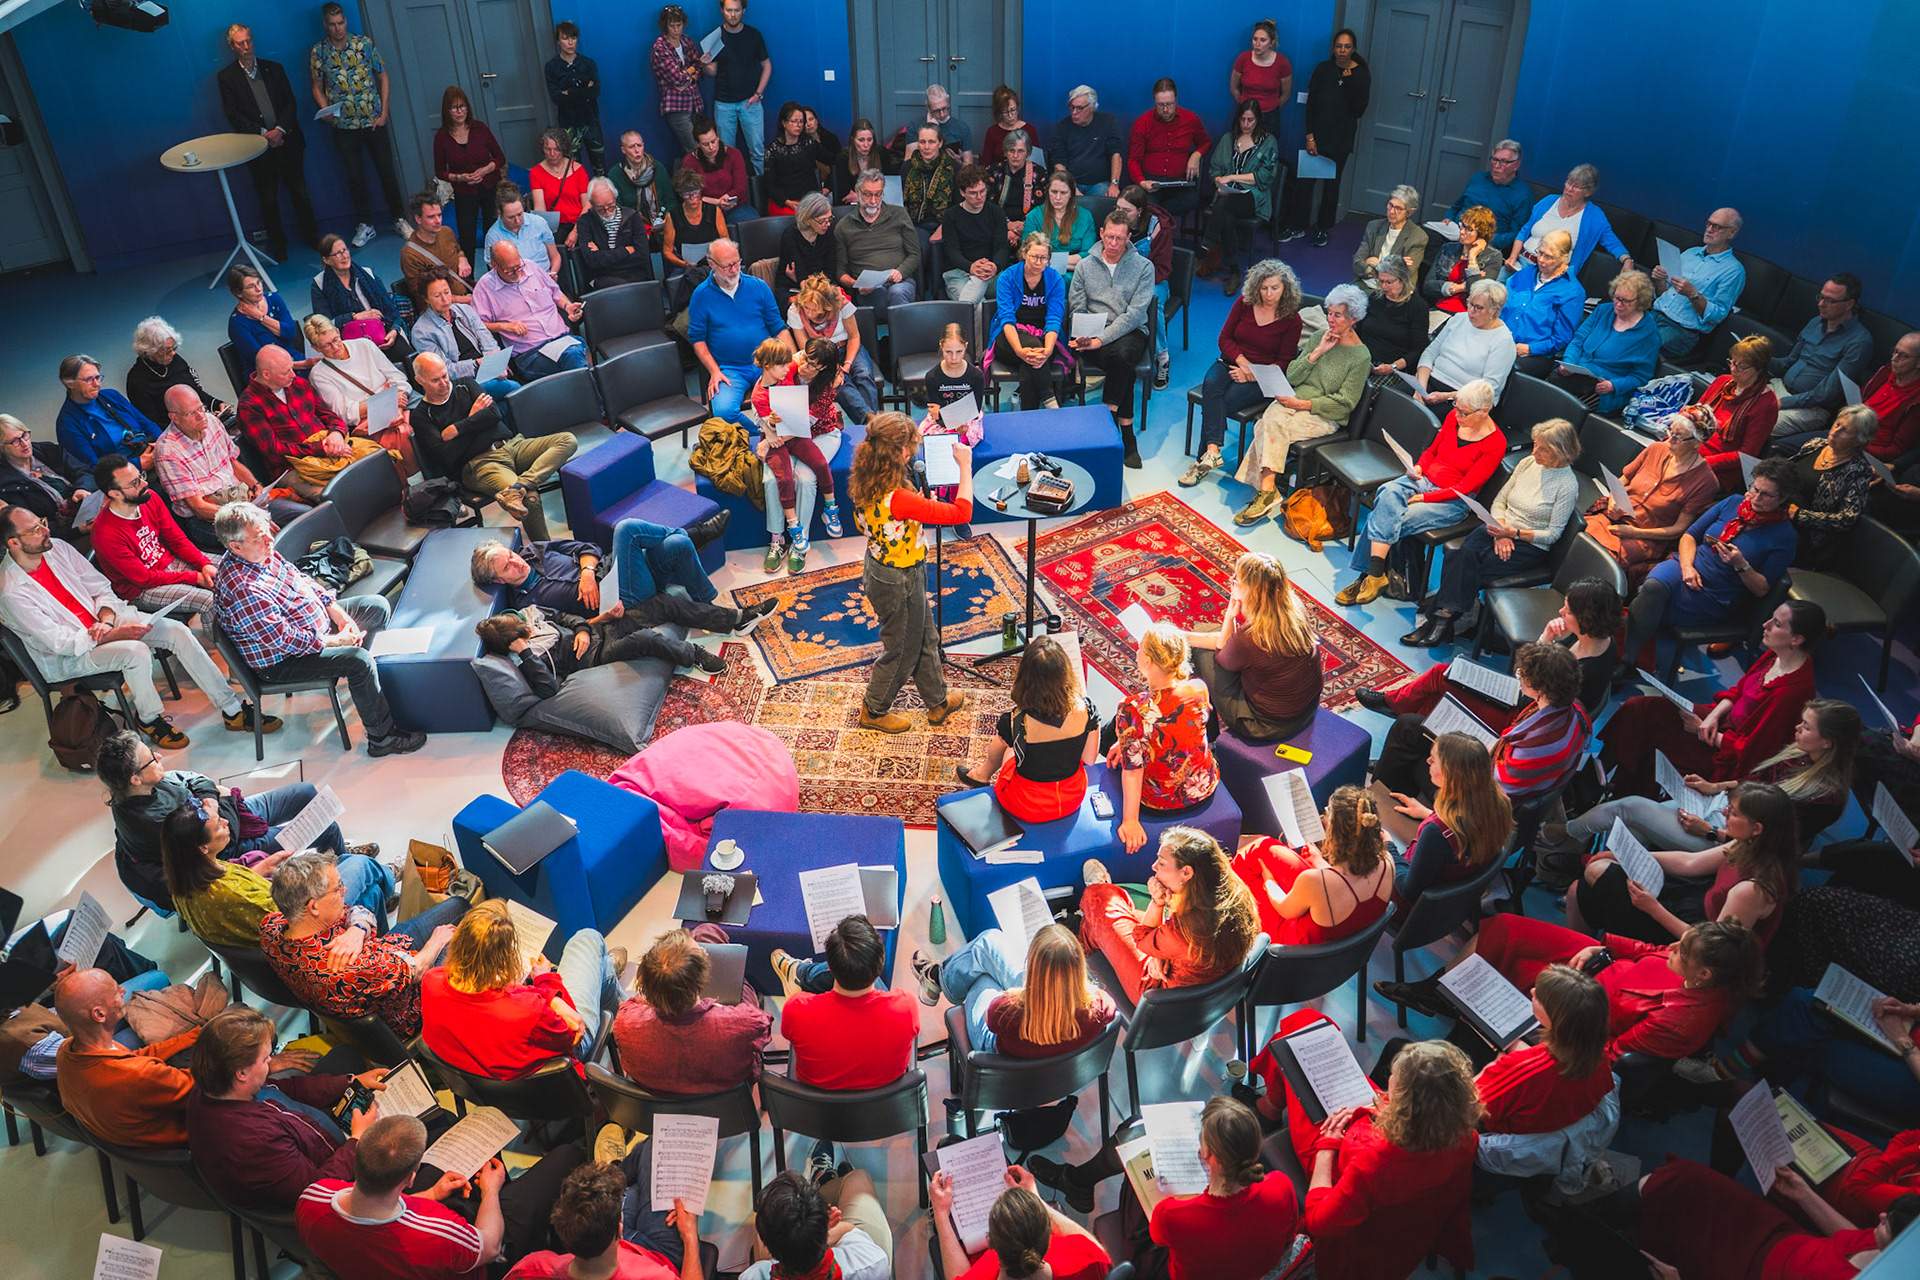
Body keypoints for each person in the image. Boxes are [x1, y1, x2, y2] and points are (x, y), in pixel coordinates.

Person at [0, 504, 260, 748]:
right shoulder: (11, 592)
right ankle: (149, 719)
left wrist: (106, 620)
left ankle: (232, 710)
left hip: (103, 620)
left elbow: (100, 588)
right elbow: (62, 644)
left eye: (42, 523)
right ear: (14, 543)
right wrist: (115, 634)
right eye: (34, 530)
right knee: (135, 652)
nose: (45, 530)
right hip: (70, 655)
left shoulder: (57, 548)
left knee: (178, 631)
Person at [1382, 915, 1764, 1064]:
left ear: (1704, 975)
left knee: (1493, 1007)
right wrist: (1603, 947)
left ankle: (1446, 997)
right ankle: (1438, 990)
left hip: (1581, 1010)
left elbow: (1611, 1054)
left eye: (1683, 951)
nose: (1674, 946)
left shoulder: (1681, 1022)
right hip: (1596, 963)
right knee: (1504, 927)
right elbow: (1648, 949)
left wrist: (1556, 1027)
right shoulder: (1692, 964)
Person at [1262, 1022, 1479, 1280]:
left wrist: (1326, 1147)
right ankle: (1268, 1106)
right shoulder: (1465, 1136)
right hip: (1397, 1219)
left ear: (1405, 1102)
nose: (1389, 1081)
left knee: (1292, 1042)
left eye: (1394, 1080)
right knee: (1307, 1024)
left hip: (1338, 1170)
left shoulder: (1376, 1164)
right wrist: (1375, 1111)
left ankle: (1267, 1108)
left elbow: (1320, 1221)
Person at [213, 500, 426, 756]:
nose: (270, 539)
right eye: (260, 538)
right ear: (235, 546)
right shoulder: (244, 589)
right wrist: (337, 641)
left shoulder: (259, 552)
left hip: (312, 630)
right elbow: (285, 640)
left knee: (376, 606)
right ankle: (382, 738)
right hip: (282, 661)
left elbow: (301, 579)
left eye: (267, 531)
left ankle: (372, 690)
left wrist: (337, 613)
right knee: (358, 661)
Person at [1556, 700, 1859, 871]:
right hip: (1721, 809)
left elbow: (1767, 847)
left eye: (1806, 727)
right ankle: (1591, 870)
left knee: (1629, 807)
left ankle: (1556, 837)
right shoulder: (1800, 753)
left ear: (1828, 742)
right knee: (1632, 827)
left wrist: (1710, 831)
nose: (1796, 728)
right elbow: (1755, 783)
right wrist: (1715, 787)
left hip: (1728, 844)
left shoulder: (1824, 799)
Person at [97, 728, 373, 909]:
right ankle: (341, 872)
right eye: (151, 759)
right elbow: (224, 834)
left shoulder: (147, 784)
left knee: (306, 792)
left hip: (222, 820)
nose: (159, 756)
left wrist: (211, 801)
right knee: (326, 827)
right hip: (225, 845)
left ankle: (337, 854)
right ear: (135, 778)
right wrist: (221, 798)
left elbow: (195, 779)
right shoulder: (155, 822)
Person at [298, 1112, 585, 1278]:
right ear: (409, 1179)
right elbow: (490, 1247)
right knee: (568, 1155)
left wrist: (433, 1193)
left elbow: (376, 1209)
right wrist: (491, 1191)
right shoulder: (437, 1233)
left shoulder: (312, 1197)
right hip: (486, 1260)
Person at [1607, 599, 1825, 802]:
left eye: (1776, 624)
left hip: (1727, 747)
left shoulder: (1791, 692)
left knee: (1656, 752)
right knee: (1639, 709)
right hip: (1718, 723)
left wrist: (1702, 731)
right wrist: (1712, 717)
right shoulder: (1775, 655)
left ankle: (1623, 795)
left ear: (1796, 639)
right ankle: (1600, 772)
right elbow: (1738, 692)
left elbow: (1753, 750)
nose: (1765, 625)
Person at [184, 1004, 394, 1213]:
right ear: (242, 1073)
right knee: (399, 1146)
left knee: (347, 1055)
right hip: (322, 1171)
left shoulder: (214, 1085)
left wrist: (350, 1081)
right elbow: (315, 1189)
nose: (271, 1062)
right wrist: (358, 1140)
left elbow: (285, 1089)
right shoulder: (255, 1142)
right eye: (265, 1059)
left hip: (303, 1129)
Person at [468, 525, 748, 677]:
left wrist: (587, 573)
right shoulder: (527, 606)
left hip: (617, 570)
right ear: (499, 581)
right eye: (507, 567)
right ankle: (692, 533)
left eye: (511, 555)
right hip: (623, 601)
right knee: (626, 530)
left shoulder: (534, 551)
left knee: (677, 546)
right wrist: (604, 618)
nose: (517, 562)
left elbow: (587, 548)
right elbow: (572, 627)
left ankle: (708, 601)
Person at [1614, 460, 1803, 681]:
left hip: (1715, 593)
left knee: (1648, 604)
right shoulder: (1734, 502)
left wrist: (1741, 565)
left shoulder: (1785, 536)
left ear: (1782, 499)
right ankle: (1629, 659)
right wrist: (1687, 567)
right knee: (1653, 587)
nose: (1755, 498)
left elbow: (1761, 589)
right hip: (1688, 565)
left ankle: (1626, 659)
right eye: (1755, 489)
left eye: (1766, 495)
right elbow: (1689, 535)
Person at [846, 412, 971, 732]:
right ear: (899, 452)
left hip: (882, 567)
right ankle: (874, 709)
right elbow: (962, 512)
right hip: (898, 579)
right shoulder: (899, 497)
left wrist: (918, 505)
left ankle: (937, 701)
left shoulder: (869, 477)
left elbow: (888, 517)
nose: (912, 453)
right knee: (902, 650)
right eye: (910, 448)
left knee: (926, 636)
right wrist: (965, 466)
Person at [1366, 576, 1619, 734]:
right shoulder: (1594, 638)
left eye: (1569, 610)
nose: (1561, 611)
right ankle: (1399, 712)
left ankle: (1396, 711)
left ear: (1586, 618)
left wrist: (1546, 637)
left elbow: (1527, 688)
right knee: (1442, 676)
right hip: (1526, 694)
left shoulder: (1588, 670)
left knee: (1442, 685)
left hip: (1520, 715)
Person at [1569, 780, 1799, 951]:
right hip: (1695, 901)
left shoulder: (1752, 890)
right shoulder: (1750, 844)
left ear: (1757, 829)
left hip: (1692, 936)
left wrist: (1653, 909)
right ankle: (1577, 956)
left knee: (1595, 875)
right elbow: (1691, 863)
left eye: (1734, 812)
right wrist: (1624, 855)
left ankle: (1581, 958)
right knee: (1578, 890)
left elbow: (1711, 947)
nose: (1725, 813)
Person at [1335, 378, 1506, 607]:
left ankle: (1367, 576)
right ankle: (1375, 575)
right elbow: (1432, 451)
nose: (1457, 415)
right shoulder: (1453, 417)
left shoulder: (1495, 443)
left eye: (1464, 412)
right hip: (1424, 480)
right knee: (1387, 491)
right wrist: (1418, 467)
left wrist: (1424, 498)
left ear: (1484, 411)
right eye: (1456, 408)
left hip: (1453, 500)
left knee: (1388, 516)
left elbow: (1464, 488)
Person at [262, 851, 468, 1038]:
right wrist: (437, 941)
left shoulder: (271, 927)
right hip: (408, 1006)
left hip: (384, 961)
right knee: (463, 931)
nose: (345, 890)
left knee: (456, 904)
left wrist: (358, 929)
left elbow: (356, 910)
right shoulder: (350, 965)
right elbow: (418, 969)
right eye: (337, 888)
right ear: (313, 906)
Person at [1408, 415, 1583, 636]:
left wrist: (1513, 533)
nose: (1534, 452)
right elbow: (1500, 501)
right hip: (1498, 527)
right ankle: (1447, 620)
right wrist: (1501, 531)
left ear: (1561, 452)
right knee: (1463, 557)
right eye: (1535, 445)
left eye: (1543, 450)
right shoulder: (1527, 463)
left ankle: (1439, 618)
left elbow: (1552, 534)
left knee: (1462, 562)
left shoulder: (1567, 485)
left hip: (1528, 544)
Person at [421, 900, 623, 1079]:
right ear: (504, 961)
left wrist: (548, 998)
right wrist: (546, 980)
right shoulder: (527, 1012)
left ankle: (605, 973)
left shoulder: (431, 981)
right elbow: (573, 1033)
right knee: (587, 939)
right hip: (560, 1062)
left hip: (486, 1079)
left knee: (602, 968)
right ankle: (627, 1021)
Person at [160, 798, 385, 951]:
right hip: (301, 931)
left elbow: (232, 887)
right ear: (203, 847)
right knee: (361, 864)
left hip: (263, 945)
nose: (227, 822)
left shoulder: (186, 878)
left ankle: (383, 895)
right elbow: (296, 916)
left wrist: (263, 867)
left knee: (370, 890)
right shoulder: (237, 896)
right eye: (219, 825)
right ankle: (389, 876)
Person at [1232, 283, 1373, 525]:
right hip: (1292, 399)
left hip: (1322, 414)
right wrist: (1317, 352)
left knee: (1266, 425)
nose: (1330, 319)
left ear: (1353, 319)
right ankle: (1268, 491)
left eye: (1337, 315)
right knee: (1271, 423)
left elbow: (1344, 404)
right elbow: (1293, 376)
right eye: (1329, 312)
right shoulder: (1319, 337)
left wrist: (1302, 404)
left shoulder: (1361, 357)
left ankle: (1266, 493)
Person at [1638, 1159, 1915, 1280]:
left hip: (1751, 1273)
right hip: (1780, 1236)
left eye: (1888, 1224)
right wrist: (1804, 1194)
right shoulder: (1890, 1246)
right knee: (1685, 1178)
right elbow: (1854, 1238)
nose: (1880, 1216)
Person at [1081, 823, 1258, 1007]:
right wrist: (1160, 954)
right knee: (1112, 918)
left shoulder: (1187, 927)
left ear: (1186, 872)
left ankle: (1080, 952)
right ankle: (1085, 941)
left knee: (1099, 898)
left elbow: (1142, 939)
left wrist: (1157, 902)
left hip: (1158, 995)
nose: (1154, 866)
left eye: (1162, 863)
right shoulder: (1235, 896)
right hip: (1207, 997)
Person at [1676, 986, 1920, 1118]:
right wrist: (1910, 1010)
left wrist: (1901, 1039)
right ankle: (1730, 1078)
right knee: (1810, 1003)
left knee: (1816, 1040)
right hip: (1911, 1033)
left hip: (1913, 1076)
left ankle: (1724, 1082)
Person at [413, 352, 575, 538]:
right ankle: (545, 551)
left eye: (444, 376)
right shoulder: (421, 415)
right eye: (435, 380)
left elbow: (493, 414)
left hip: (512, 445)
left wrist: (457, 429)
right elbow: (446, 455)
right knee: (529, 499)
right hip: (481, 465)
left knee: (567, 440)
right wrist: (475, 417)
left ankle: (519, 486)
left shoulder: (465, 384)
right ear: (420, 381)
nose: (443, 383)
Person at [50, 967, 215, 1149]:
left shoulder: (67, 1051)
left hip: (124, 1132)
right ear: (99, 1015)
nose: (123, 991)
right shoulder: (136, 1074)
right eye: (116, 991)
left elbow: (134, 1058)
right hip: (181, 1134)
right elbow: (203, 1085)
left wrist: (191, 1037)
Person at [915, 922, 1117, 1064]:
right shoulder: (1101, 1007)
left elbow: (991, 1022)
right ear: (1079, 968)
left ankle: (937, 979)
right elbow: (1096, 997)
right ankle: (937, 978)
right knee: (990, 943)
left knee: (982, 974)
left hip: (996, 1054)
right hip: (1058, 1064)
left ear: (1034, 968)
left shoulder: (1007, 1010)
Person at [1181, 258, 1302, 487]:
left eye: (1274, 288)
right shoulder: (1244, 303)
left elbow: (1284, 362)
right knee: (1211, 384)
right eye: (1264, 288)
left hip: (1263, 377)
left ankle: (1201, 463)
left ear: (1285, 287)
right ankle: (1213, 451)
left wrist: (1251, 374)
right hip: (1232, 362)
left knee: (1219, 402)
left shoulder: (1292, 320)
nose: (1269, 294)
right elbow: (1224, 338)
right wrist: (1243, 363)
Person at [611, 926, 771, 1096]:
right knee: (739, 980)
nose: (704, 951)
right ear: (702, 980)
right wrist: (719, 1009)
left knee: (705, 930)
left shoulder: (626, 1022)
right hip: (726, 1100)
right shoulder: (744, 1023)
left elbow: (635, 1004)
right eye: (702, 953)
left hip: (656, 1102)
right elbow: (764, 1027)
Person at [953, 636, 1099, 818]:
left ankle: (980, 776)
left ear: (1026, 676)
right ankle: (981, 775)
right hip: (1071, 799)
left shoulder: (1015, 720)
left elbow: (999, 752)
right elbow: (1089, 759)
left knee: (1009, 748)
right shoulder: (1087, 709)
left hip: (1026, 804)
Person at [1105, 624, 1221, 851]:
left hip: (1159, 803)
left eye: (1140, 648)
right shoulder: (1198, 688)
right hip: (1204, 789)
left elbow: (1133, 771)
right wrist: (1129, 740)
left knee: (1108, 736)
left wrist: (1130, 821)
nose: (1136, 651)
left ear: (1147, 662)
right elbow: (1184, 728)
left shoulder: (1131, 708)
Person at [1232, 784, 1393, 946]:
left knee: (1256, 862)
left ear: (1335, 834)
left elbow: (1284, 908)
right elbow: (1349, 884)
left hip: (1294, 945)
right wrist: (1319, 862)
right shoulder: (1388, 862)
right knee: (1263, 847)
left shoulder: (1316, 881)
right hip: (1344, 937)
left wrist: (1269, 881)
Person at [1582, 408, 1721, 592]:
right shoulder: (1656, 448)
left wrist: (1634, 533)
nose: (1670, 439)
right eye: (1670, 431)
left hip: (1646, 535)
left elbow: (1678, 529)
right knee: (1579, 534)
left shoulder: (1705, 482)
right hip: (1616, 515)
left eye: (1678, 437)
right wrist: (1613, 501)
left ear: (1697, 443)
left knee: (1603, 558)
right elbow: (1622, 481)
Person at [772, 915, 918, 1090]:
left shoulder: (796, 1009)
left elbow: (788, 1034)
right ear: (880, 965)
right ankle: (800, 972)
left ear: (829, 967)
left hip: (818, 1101)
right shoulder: (906, 1006)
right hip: (885, 1099)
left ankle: (798, 972)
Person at [1188, 550, 1321, 741]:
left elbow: (1223, 656)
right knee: (1215, 640)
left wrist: (1230, 615)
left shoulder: (1252, 636)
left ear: (1251, 590)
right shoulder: (1295, 606)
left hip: (1265, 725)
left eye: (1236, 579)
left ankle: (1210, 740)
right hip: (1307, 708)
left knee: (1201, 653)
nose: (1231, 581)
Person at [1374, 730, 1514, 905]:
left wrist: (1388, 847)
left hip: (1403, 905)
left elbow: (1408, 892)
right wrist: (1427, 813)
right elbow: (1464, 830)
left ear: (1450, 774)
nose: (1428, 761)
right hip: (1451, 900)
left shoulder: (1436, 832)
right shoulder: (1499, 804)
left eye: (1434, 760)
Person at [509, 1157, 705, 1280]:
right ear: (620, 1230)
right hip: (658, 1255)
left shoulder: (530, 1268)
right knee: (650, 1154)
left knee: (637, 1187)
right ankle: (622, 1171)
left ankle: (624, 1176)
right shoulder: (657, 1276)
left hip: (614, 1243)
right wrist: (690, 1238)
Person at [309, 3, 406, 247]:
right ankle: (365, 224)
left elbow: (382, 76)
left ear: (345, 21)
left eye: (341, 22)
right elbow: (317, 86)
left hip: (373, 121)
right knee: (355, 178)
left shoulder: (363, 44)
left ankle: (399, 218)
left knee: (386, 172)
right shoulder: (319, 51)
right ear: (325, 25)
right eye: (332, 24)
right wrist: (325, 109)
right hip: (343, 126)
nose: (338, 28)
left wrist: (384, 111)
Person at [218, 23, 317, 262]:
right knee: (268, 199)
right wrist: (264, 134)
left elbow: (290, 102)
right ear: (231, 46)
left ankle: (313, 237)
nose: (247, 47)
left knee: (300, 193)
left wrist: (279, 130)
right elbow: (233, 114)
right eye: (240, 43)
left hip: (288, 141)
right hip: (258, 149)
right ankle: (279, 245)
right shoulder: (227, 78)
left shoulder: (274, 68)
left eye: (249, 41)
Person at [1067, 211, 1156, 466]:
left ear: (1129, 238)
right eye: (1109, 237)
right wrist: (1084, 333)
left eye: (1119, 238)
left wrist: (1102, 339)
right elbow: (1077, 307)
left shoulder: (1144, 267)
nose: (1113, 243)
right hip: (1094, 332)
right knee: (1123, 363)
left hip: (1131, 331)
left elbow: (1135, 314)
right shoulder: (1085, 266)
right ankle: (1127, 435)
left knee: (1123, 355)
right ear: (1101, 234)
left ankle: (1109, 420)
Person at [85, 452, 216, 624]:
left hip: (167, 563)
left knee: (230, 566)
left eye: (140, 476)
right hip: (141, 589)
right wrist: (194, 576)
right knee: (209, 602)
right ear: (115, 493)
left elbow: (177, 539)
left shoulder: (150, 498)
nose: (144, 483)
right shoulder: (106, 534)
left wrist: (203, 564)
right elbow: (144, 578)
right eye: (135, 483)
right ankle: (228, 640)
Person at [749, 337, 844, 573]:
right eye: (805, 358)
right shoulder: (788, 366)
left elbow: (803, 424)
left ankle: (800, 543)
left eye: (812, 365)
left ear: (823, 368)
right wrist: (766, 432)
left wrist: (768, 443)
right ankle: (777, 539)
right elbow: (759, 403)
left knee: (805, 477)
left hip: (818, 434)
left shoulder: (828, 384)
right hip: (780, 434)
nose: (804, 365)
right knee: (773, 479)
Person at [152, 387, 277, 552]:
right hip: (210, 518)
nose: (201, 416)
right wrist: (249, 516)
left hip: (241, 499)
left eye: (201, 408)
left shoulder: (212, 422)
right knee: (261, 538)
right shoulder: (167, 451)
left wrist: (256, 486)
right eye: (192, 413)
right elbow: (199, 508)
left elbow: (232, 463)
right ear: (174, 418)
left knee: (300, 514)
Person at [931, 1166, 1109, 1280]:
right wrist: (1038, 1201)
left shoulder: (987, 1268)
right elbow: (1095, 1247)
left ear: (991, 1244)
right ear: (1049, 1234)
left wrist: (940, 1213)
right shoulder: (1089, 1262)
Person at [1281, 30, 1371, 248]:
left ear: (1353, 49)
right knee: (1305, 183)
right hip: (1317, 138)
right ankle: (1297, 225)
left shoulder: (1361, 74)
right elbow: (1311, 105)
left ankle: (1322, 228)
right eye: (1339, 46)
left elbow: (1358, 110)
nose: (1342, 51)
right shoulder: (1323, 69)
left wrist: (1348, 82)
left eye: (1347, 47)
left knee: (1331, 186)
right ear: (1333, 48)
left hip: (1341, 140)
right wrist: (1310, 136)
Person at [688, 238, 784, 425]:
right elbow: (697, 339)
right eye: (727, 266)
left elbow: (778, 327)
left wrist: (792, 359)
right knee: (723, 412)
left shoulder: (758, 286)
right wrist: (714, 371)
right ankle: (762, 432)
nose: (734, 269)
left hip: (767, 362)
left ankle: (775, 434)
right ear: (711, 265)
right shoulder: (701, 295)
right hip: (730, 369)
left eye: (737, 263)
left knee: (792, 399)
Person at [303, 314, 416, 473]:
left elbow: (397, 377)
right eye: (327, 345)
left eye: (335, 339)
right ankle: (416, 476)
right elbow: (345, 413)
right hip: (372, 418)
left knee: (429, 413)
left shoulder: (364, 345)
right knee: (402, 433)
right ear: (316, 348)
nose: (335, 347)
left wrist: (396, 403)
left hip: (399, 401)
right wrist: (387, 399)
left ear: (338, 331)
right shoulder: (319, 374)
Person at [1771, 273, 1875, 440]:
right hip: (1779, 387)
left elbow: (1825, 394)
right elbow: (1788, 362)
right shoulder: (1815, 322)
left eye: (1830, 300)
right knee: (1731, 403)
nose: (1821, 304)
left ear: (1849, 304)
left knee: (1754, 425)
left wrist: (1783, 402)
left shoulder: (1859, 341)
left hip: (1811, 408)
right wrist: (1760, 358)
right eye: (1821, 297)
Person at [738, 1168, 889, 1280]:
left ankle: (822, 1183)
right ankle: (822, 1181)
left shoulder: (754, 1275)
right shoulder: (870, 1262)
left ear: (768, 1245)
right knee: (858, 1177)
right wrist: (814, 1230)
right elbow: (849, 1228)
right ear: (830, 1223)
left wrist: (801, 1236)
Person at [1196, 100, 1280, 293]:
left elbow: (1265, 177)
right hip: (1227, 196)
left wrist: (1232, 177)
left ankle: (1203, 248)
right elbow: (1214, 170)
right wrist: (1219, 181)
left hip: (1253, 197)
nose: (1246, 124)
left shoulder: (1268, 142)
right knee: (1226, 214)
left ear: (1258, 120)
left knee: (1224, 204)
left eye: (1250, 120)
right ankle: (1235, 271)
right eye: (1243, 119)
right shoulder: (1228, 139)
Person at [473, 240, 588, 380]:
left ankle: (581, 390)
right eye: (510, 270)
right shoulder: (485, 286)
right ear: (494, 265)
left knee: (573, 357)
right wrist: (505, 326)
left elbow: (555, 293)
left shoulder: (531, 267)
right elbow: (478, 325)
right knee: (574, 358)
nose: (517, 272)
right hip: (531, 353)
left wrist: (567, 306)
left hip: (562, 339)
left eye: (518, 266)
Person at [1553, 269, 1661, 413]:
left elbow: (1641, 376)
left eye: (1625, 301)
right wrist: (1569, 362)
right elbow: (1578, 340)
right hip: (1576, 373)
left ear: (1640, 301)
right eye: (1616, 297)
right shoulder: (1603, 310)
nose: (1618, 304)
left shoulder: (1648, 334)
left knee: (1566, 409)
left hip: (1604, 387)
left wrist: (1613, 385)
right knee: (1546, 393)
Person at [1783, 405, 1877, 566]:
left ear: (1859, 440)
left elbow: (1846, 519)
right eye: (1837, 424)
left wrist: (1799, 515)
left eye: (1845, 431)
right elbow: (1785, 470)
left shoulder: (1858, 470)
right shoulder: (1816, 444)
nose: (1835, 431)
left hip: (1803, 531)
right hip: (1776, 508)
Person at [411, 270, 521, 405]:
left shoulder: (465, 310)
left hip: (485, 370)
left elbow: (488, 341)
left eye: (447, 292)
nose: (445, 299)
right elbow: (445, 370)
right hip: (460, 383)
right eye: (437, 296)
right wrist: (478, 364)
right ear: (426, 299)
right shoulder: (421, 331)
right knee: (515, 389)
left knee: (503, 405)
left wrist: (496, 365)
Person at [992, 231, 1072, 413]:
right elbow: (1007, 319)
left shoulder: (1055, 280)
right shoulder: (1007, 277)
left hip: (1044, 338)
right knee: (1032, 349)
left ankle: (1029, 415)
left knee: (1030, 363)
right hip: (1010, 337)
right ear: (1024, 253)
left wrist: (1048, 350)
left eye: (1044, 258)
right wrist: (1019, 351)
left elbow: (1054, 319)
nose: (1038, 262)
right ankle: (1050, 401)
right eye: (1034, 256)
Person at [1650, 208, 1746, 358]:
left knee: (1636, 344)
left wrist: (1692, 294)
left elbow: (1717, 316)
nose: (1709, 229)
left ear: (1732, 233)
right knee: (1616, 327)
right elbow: (1663, 294)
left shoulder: (1734, 271)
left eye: (1717, 227)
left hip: (1681, 331)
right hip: (1655, 315)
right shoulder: (1690, 253)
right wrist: (1659, 280)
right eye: (1709, 224)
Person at [1506, 164, 1633, 277]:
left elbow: (1612, 242)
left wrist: (1627, 260)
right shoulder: (1549, 201)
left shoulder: (1595, 216)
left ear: (1588, 192)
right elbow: (1524, 231)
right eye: (1568, 183)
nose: (1569, 189)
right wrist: (1512, 258)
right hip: (1520, 262)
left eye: (1576, 186)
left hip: (1551, 274)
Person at [786, 269, 878, 422]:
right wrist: (833, 367)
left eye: (814, 309)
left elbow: (854, 337)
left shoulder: (841, 304)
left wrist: (847, 364)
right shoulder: (795, 310)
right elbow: (806, 347)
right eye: (806, 308)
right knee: (839, 382)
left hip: (847, 347)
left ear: (826, 306)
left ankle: (870, 423)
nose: (809, 313)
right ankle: (869, 421)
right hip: (820, 353)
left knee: (863, 374)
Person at [1694, 338, 1781, 491]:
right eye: (1732, 362)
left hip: (1717, 469)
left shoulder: (1766, 403)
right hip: (1692, 447)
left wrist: (1702, 462)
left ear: (1758, 368)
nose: (1734, 369)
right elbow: (1695, 412)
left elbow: (1746, 454)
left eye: (1741, 366)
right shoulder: (1722, 382)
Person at [310, 233, 411, 364]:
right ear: (326, 260)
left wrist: (394, 331)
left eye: (345, 250)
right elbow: (325, 323)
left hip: (382, 331)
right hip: (350, 342)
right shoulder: (320, 284)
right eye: (338, 254)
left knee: (411, 359)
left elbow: (390, 309)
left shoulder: (367, 274)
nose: (344, 256)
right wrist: (355, 317)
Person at [433, 86, 507, 263]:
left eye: (462, 106)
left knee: (494, 233)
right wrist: (459, 178)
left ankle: (497, 271)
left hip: (489, 186)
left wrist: (485, 170)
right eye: (454, 108)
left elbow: (500, 157)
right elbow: (440, 171)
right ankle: (469, 276)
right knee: (467, 237)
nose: (459, 111)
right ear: (447, 110)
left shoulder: (480, 128)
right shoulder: (441, 137)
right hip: (464, 191)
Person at [54, 354, 160, 478]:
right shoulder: (67, 424)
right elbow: (92, 467)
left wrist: (162, 443)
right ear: (70, 383)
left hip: (150, 452)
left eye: (98, 378)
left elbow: (146, 424)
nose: (97, 384)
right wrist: (138, 464)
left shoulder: (112, 396)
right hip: (124, 476)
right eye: (89, 379)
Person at [834, 168, 919, 319]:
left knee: (897, 292)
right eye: (867, 194)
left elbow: (915, 254)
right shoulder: (844, 226)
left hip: (900, 281)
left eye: (878, 194)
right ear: (857, 191)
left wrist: (901, 271)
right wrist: (856, 284)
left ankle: (898, 332)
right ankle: (902, 331)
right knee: (880, 295)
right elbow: (840, 271)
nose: (873, 201)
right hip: (868, 288)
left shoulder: (899, 214)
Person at [1416, 278, 1516, 403]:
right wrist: (1420, 387)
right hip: (1429, 380)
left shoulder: (1503, 341)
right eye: (1470, 303)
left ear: (1494, 310)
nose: (1471, 310)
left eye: (1478, 307)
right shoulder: (1459, 318)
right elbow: (1430, 353)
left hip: (1464, 397)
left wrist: (1446, 396)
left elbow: (1489, 388)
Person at [1502, 230, 1586, 375]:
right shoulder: (1525, 274)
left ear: (1565, 258)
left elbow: (1561, 338)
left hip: (1532, 354)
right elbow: (1499, 304)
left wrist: (1531, 349)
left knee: (1502, 366)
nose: (1541, 259)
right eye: (1540, 252)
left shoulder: (1572, 292)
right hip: (1501, 340)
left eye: (1548, 256)